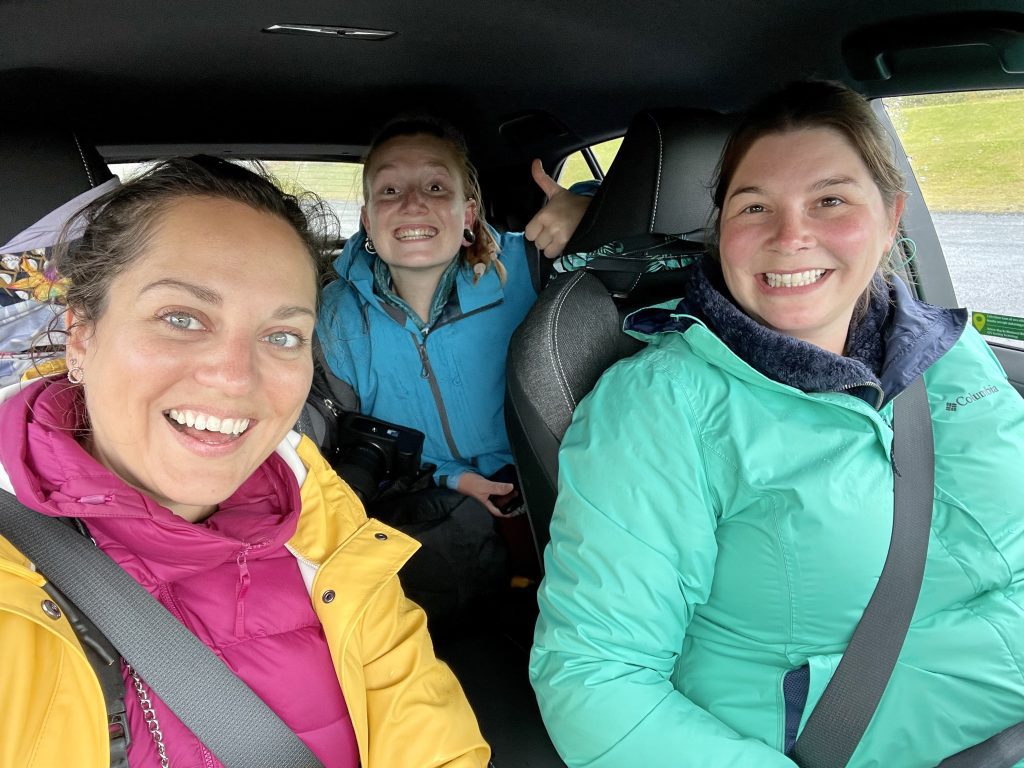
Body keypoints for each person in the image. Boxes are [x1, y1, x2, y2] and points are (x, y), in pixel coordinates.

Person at [529, 81, 1024, 767]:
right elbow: (596, 681)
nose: (792, 236)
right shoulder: (658, 408)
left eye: (830, 201)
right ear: (720, 228)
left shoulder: (952, 350)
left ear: (890, 217)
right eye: (755, 206)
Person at [0, 156, 489, 768]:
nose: (235, 379)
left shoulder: (326, 522)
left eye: (282, 336)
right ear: (81, 336)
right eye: (181, 319)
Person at [315, 117, 593, 625]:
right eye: (391, 189)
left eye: (436, 186)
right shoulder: (335, 313)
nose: (413, 202)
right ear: (368, 220)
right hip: (428, 503)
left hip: (550, 488)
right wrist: (455, 478)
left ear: (469, 213)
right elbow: (355, 439)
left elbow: (641, 246)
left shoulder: (530, 267)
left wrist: (589, 209)